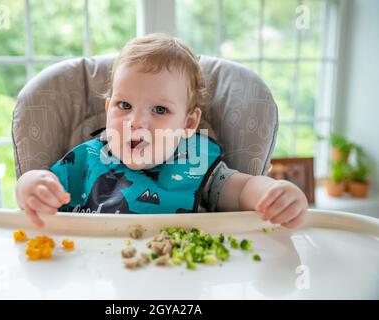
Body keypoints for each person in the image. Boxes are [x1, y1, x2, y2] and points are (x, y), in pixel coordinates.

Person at [15, 33, 308, 228]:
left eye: (159, 110)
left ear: (188, 123)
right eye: (124, 104)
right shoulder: (85, 161)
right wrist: (29, 187)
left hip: (177, 274)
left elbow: (244, 188)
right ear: (107, 110)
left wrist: (274, 193)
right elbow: (42, 184)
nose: (136, 122)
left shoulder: (195, 161)